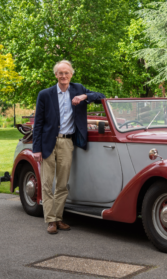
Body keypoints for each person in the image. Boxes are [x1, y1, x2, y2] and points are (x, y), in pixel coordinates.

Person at [32, 60, 105, 234]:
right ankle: (50, 220)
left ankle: (58, 218)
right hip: (47, 142)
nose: (63, 76)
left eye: (66, 73)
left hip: (67, 142)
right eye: (60, 73)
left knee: (63, 184)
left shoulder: (78, 88)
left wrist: (84, 97)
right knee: (47, 183)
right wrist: (37, 149)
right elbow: (38, 123)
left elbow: (101, 96)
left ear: (71, 74)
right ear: (55, 75)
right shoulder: (45, 94)